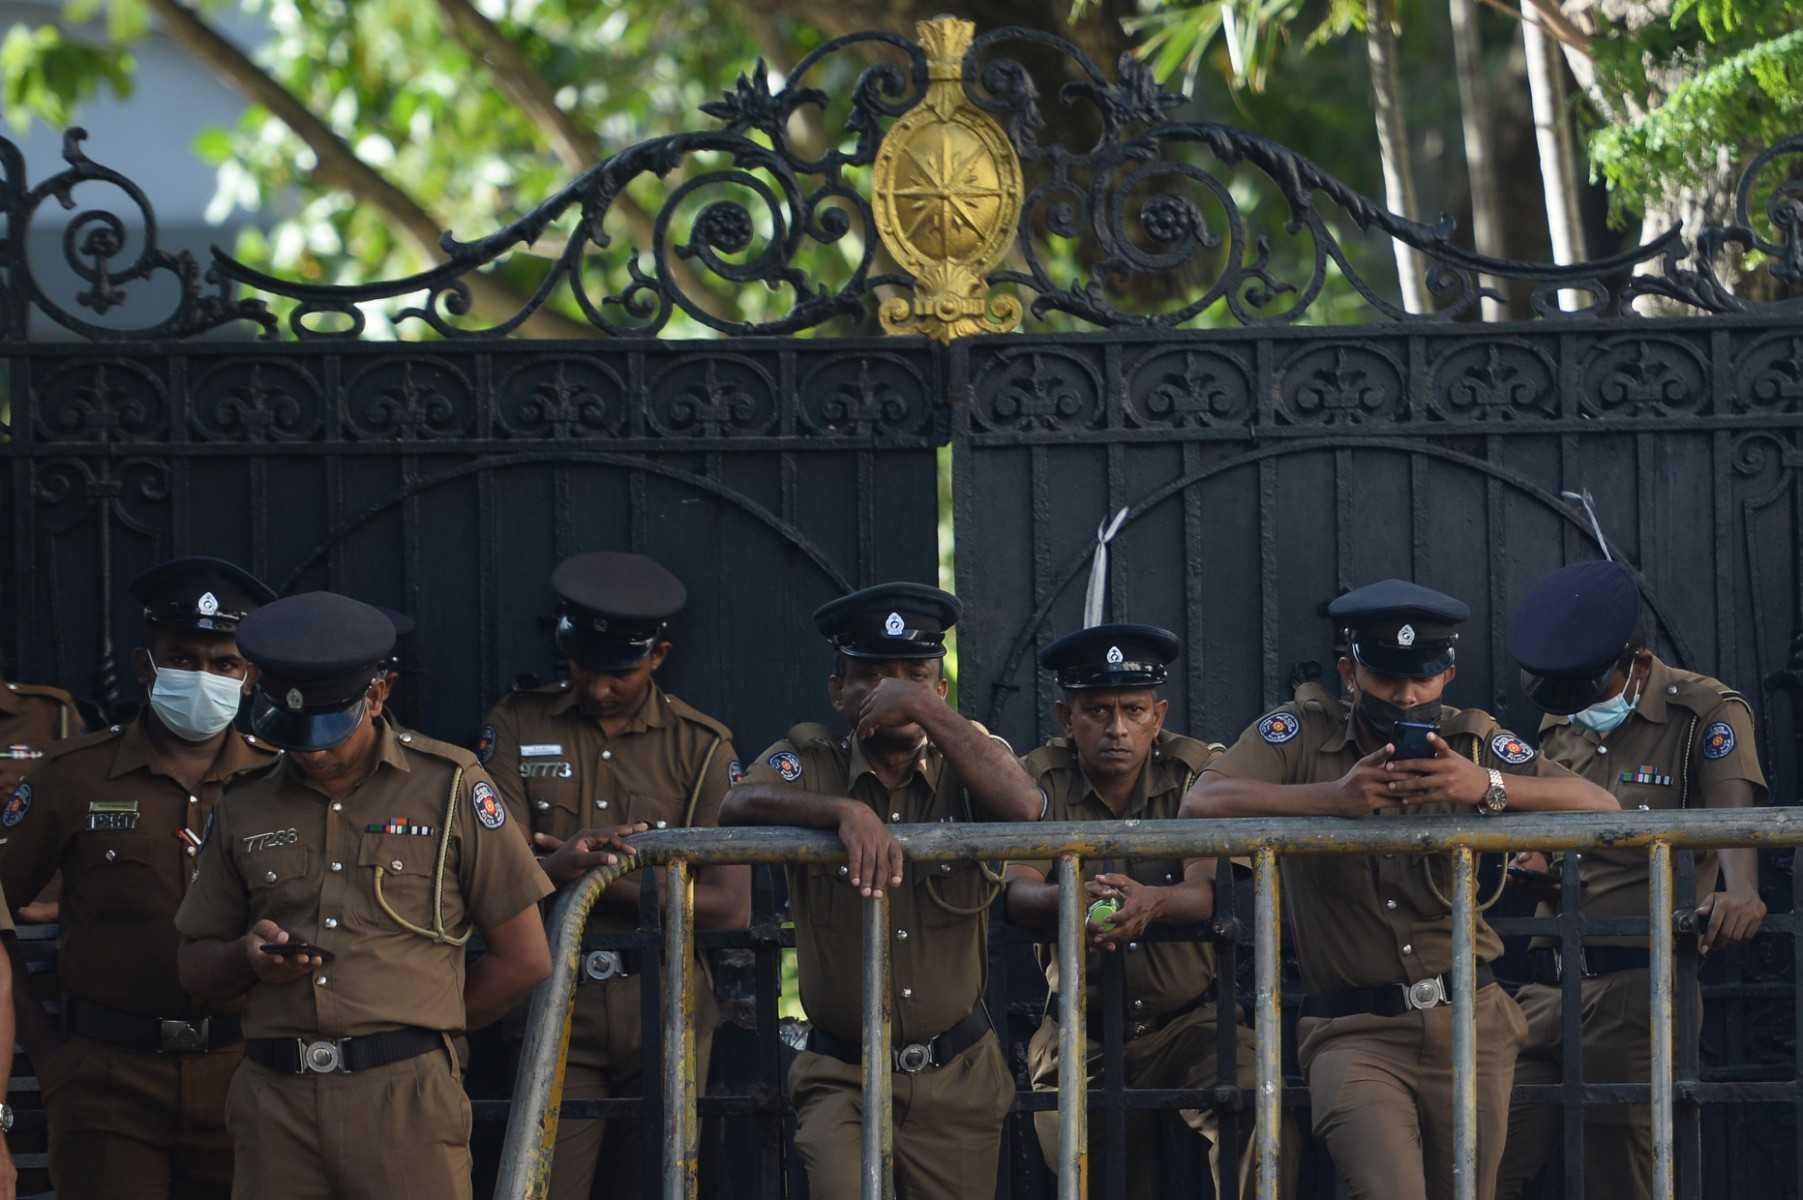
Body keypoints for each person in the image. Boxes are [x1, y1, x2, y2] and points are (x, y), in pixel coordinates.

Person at [1182, 579, 1619, 1200]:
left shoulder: (1470, 738)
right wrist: (1330, 801)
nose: (1406, 696)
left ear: (1447, 675)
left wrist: (1487, 785)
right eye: (1386, 679)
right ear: (1350, 672)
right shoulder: (1302, 733)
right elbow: (1202, 802)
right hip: (1352, 1031)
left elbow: (1600, 806)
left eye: (1422, 679)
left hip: (1472, 1022)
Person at [173, 592, 566, 1200]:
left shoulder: (451, 786)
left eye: (328, 729)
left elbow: (526, 959)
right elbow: (195, 962)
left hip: (403, 1097)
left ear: (378, 696)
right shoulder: (244, 801)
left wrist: (423, 1033)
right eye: (292, 730)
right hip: (274, 1100)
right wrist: (245, 959)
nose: (312, 750)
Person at [720, 582, 1042, 1200]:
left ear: (942, 690)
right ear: (838, 691)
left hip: (957, 1075)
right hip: (843, 1074)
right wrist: (839, 812)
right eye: (871, 676)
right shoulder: (810, 760)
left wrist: (927, 712)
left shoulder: (970, 755)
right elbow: (734, 804)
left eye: (915, 677)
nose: (891, 692)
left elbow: (1026, 806)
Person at [0, 556, 278, 1200]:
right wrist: (47, 1052)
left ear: (251, 676)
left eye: (223, 663)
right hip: (105, 1081)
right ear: (143, 666)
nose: (202, 677)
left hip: (249, 1074)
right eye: (181, 658)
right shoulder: (72, 776)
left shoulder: (280, 781)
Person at [476, 551, 748, 1199]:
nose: (597, 688)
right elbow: (494, 875)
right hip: (553, 1003)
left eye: (618, 673)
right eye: (582, 667)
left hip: (667, 1008)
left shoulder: (702, 747)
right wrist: (552, 868)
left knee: (661, 1185)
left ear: (657, 656)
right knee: (546, 1185)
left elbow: (728, 907)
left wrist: (593, 879)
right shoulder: (514, 725)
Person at [1496, 560, 1768, 1199]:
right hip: (1542, 988)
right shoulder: (1561, 721)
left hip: (1635, 991)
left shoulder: (1703, 710)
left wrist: (1742, 890)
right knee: (1481, 1165)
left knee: (1623, 1177)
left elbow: (1733, 819)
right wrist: (1538, 868)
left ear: (1632, 661)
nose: (1580, 705)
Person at [1006, 622, 1276, 1197]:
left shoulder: (1194, 771)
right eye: (1097, 711)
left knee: (1260, 1106)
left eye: (1133, 709)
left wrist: (1152, 903)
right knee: (1079, 1170)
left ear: (1158, 715)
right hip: (1081, 1030)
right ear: (1065, 717)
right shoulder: (1037, 781)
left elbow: (1210, 892)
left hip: (1190, 1024)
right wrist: (1072, 903)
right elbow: (1016, 892)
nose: (1117, 728)